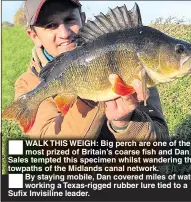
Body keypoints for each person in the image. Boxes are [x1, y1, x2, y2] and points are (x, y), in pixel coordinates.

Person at [15, 0, 169, 141]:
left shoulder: (133, 63)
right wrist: (92, 98)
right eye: (50, 26)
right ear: (34, 36)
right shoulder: (28, 84)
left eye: (69, 20)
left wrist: (125, 123)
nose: (64, 34)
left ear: (83, 19)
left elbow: (159, 146)